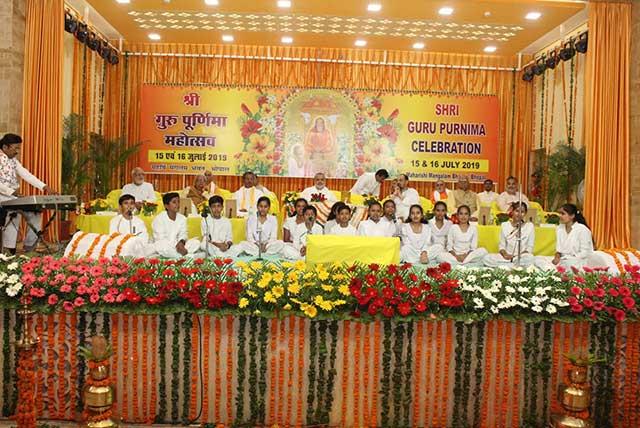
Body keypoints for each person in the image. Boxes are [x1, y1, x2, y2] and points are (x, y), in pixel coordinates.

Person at [0, 133, 56, 253]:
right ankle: (9, 250)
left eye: (18, 148)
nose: (17, 151)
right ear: (5, 147)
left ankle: (30, 246)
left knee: (35, 212)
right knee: (13, 213)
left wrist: (44, 186)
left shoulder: (13, 161)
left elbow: (26, 174)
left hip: (12, 196)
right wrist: (11, 191)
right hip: (2, 197)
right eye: (15, 148)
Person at [536, 203, 593, 270]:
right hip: (563, 260)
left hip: (578, 261)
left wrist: (569, 258)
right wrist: (557, 257)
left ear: (572, 216)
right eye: (559, 213)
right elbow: (559, 249)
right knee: (537, 259)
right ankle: (554, 271)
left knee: (568, 263)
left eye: (563, 214)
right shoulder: (560, 228)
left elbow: (585, 253)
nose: (560, 216)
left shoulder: (582, 229)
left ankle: (555, 271)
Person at [483, 202, 535, 267]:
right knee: (487, 258)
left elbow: (529, 247)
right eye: (517, 211)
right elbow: (501, 246)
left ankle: (506, 266)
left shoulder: (529, 226)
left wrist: (517, 256)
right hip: (506, 257)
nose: (519, 214)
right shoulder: (505, 225)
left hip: (521, 257)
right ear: (512, 211)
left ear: (525, 214)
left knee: (530, 258)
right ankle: (513, 265)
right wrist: (505, 255)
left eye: (522, 212)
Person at [150, 192, 201, 258]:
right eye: (174, 202)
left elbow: (184, 234)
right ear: (166, 206)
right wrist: (176, 246)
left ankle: (178, 256)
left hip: (178, 246)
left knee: (196, 242)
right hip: (166, 246)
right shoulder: (159, 219)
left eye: (178, 202)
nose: (177, 204)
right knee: (160, 245)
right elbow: (160, 239)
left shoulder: (182, 218)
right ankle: (185, 256)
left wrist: (181, 243)